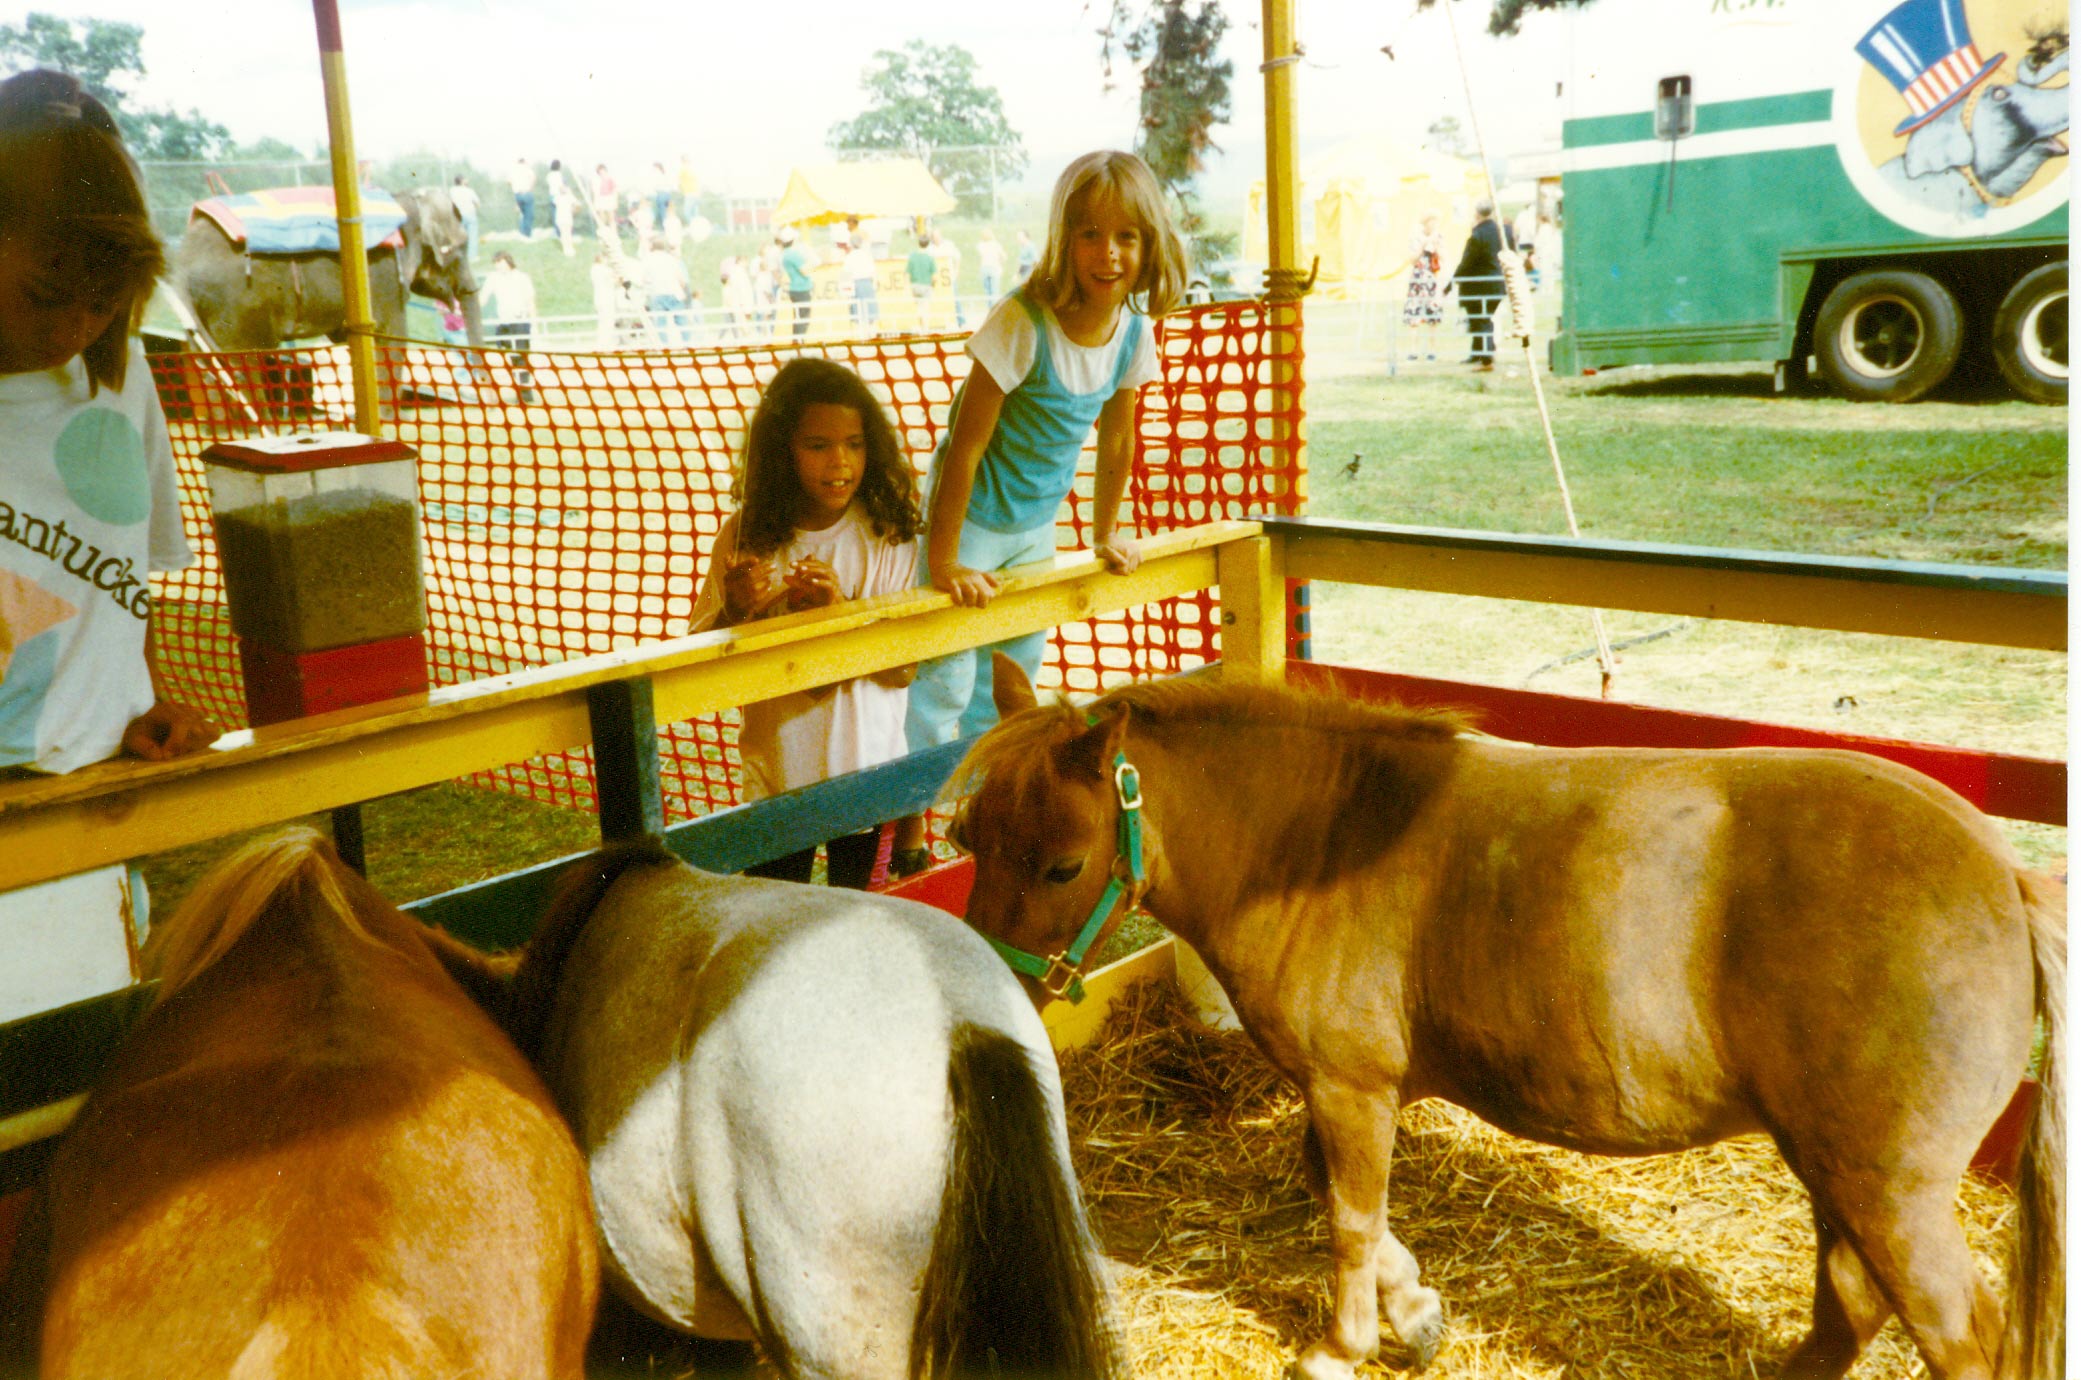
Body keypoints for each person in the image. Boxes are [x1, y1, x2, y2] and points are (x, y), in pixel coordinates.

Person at [891, 149, 1186, 875]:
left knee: (1012, 682)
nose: (1107, 254)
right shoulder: (1023, 322)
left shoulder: (1131, 336)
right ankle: (907, 834)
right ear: (1062, 238)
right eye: (1088, 234)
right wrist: (944, 559)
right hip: (969, 524)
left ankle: (988, 815)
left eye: (1126, 237)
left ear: (1148, 245)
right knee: (944, 685)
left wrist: (1105, 530)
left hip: (1031, 530)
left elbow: (1117, 438)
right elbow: (964, 448)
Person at [0, 70, 219, 1021]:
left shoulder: (117, 379)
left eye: (99, 301)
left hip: (88, 826)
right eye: (47, 293)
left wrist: (138, 701)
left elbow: (115, 583)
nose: (71, 327)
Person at [687, 358, 920, 889]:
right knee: (773, 920)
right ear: (781, 450)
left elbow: (903, 670)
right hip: (776, 777)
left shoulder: (888, 532)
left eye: (855, 444)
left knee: (857, 920)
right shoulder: (745, 533)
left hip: (867, 775)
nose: (840, 462)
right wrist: (736, 610)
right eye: (818, 445)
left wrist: (840, 611)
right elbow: (698, 660)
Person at [1450, 197, 1514, 371]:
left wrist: (1452, 282)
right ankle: (1479, 352)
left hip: (1478, 285)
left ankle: (1486, 358)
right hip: (1499, 283)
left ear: (1477, 214)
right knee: (1482, 318)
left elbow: (1466, 262)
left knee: (1480, 319)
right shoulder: (1503, 231)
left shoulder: (1478, 235)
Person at [481, 250, 537, 400]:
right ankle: (518, 389)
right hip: (503, 323)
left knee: (521, 357)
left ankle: (525, 393)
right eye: (496, 264)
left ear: (508, 261)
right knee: (510, 357)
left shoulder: (521, 277)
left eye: (501, 263)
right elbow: (484, 297)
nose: (499, 267)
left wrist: (534, 322)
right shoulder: (493, 278)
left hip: (519, 321)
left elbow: (530, 300)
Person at [1400, 210, 1446, 362]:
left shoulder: (1439, 237)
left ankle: (1432, 349)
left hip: (1432, 279)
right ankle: (1413, 349)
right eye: (1430, 222)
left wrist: (1436, 246)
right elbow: (1412, 259)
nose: (1433, 225)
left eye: (1435, 222)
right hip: (1418, 279)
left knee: (1432, 314)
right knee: (1414, 314)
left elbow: (1443, 257)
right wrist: (1423, 245)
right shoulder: (1415, 238)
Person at [640, 237, 692, 345]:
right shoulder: (671, 259)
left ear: (652, 247)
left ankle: (663, 345)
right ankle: (688, 344)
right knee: (681, 321)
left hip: (658, 293)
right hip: (674, 292)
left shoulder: (648, 259)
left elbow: (644, 279)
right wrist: (682, 290)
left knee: (660, 323)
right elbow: (681, 279)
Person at [778, 226, 812, 338]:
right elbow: (805, 271)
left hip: (794, 289)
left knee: (798, 316)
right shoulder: (794, 254)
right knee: (803, 317)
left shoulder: (785, 254)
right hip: (802, 288)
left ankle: (797, 340)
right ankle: (799, 341)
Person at [843, 233, 878, 332]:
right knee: (870, 313)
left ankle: (861, 336)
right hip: (867, 284)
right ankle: (872, 335)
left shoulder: (848, 257)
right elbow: (873, 272)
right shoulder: (867, 255)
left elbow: (846, 276)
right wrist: (874, 285)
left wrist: (847, 294)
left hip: (855, 285)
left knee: (858, 315)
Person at [905, 229, 937, 324]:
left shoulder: (913, 256)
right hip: (926, 285)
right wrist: (933, 286)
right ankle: (925, 328)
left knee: (919, 307)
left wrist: (907, 287)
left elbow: (907, 273)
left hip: (915, 285)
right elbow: (935, 277)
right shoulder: (930, 257)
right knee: (925, 308)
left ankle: (920, 326)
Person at [548, 158, 577, 255]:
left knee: (556, 215)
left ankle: (558, 233)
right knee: (564, 216)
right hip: (559, 196)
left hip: (553, 195)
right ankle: (563, 236)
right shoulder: (560, 175)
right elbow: (562, 185)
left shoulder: (549, 175)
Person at [449, 174, 480, 265]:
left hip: (457, 215)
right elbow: (477, 203)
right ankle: (472, 256)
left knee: (458, 236)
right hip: (470, 214)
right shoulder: (469, 191)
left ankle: (458, 254)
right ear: (462, 181)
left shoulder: (452, 191)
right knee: (472, 236)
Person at [507, 157, 536, 239]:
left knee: (521, 214)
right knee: (529, 215)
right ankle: (527, 234)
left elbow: (508, 181)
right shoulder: (527, 168)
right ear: (524, 162)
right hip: (527, 192)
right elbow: (533, 178)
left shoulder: (514, 170)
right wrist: (531, 189)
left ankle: (522, 233)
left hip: (517, 194)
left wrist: (514, 187)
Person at [976, 227, 1005, 303]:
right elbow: (1003, 257)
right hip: (994, 267)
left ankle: (990, 308)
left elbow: (981, 256)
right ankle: (995, 308)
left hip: (984, 268)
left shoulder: (980, 245)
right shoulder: (996, 244)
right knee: (995, 291)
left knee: (987, 292)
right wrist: (1000, 265)